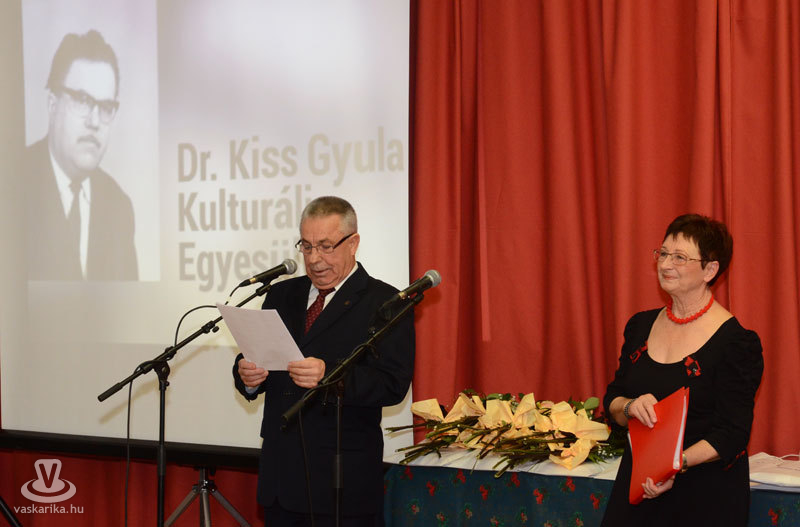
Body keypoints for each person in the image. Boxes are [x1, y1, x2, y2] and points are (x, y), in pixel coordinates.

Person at [233, 196, 415, 526]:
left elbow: (392, 383)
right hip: (280, 481)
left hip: (341, 485)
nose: (314, 259)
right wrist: (247, 375)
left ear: (353, 243)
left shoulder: (386, 301)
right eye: (306, 246)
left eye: (326, 246)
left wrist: (328, 376)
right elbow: (260, 353)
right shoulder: (281, 294)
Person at [601, 214, 763, 526]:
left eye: (679, 257)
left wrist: (674, 464)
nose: (665, 264)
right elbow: (613, 400)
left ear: (710, 270)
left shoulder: (736, 343)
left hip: (703, 494)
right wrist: (630, 407)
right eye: (662, 253)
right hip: (638, 485)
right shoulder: (640, 326)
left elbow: (732, 434)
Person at [26, 29, 137, 280]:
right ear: (52, 104)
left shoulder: (119, 207)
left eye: (106, 106)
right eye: (83, 100)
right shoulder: (12, 184)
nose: (94, 121)